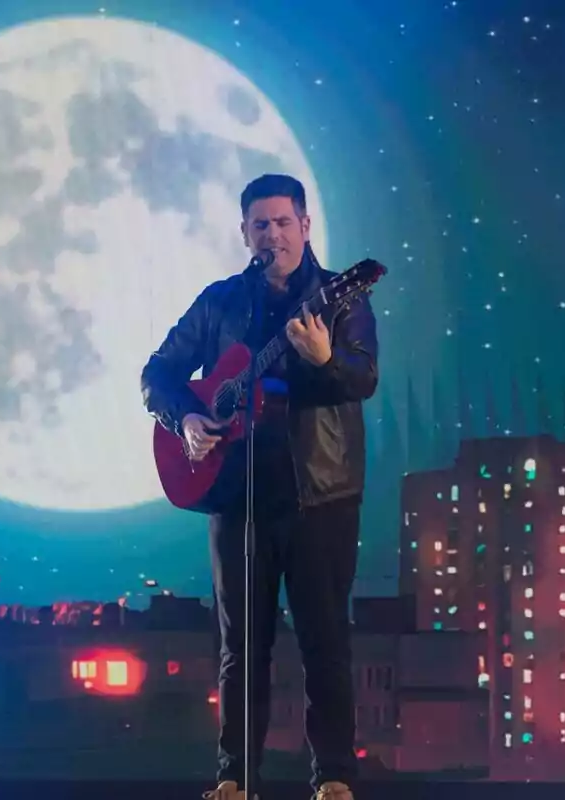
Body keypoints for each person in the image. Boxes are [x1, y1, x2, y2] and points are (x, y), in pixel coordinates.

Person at [141, 174, 378, 800]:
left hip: (319, 496)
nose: (272, 234)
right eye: (259, 225)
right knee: (240, 648)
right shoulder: (221, 303)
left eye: (282, 221)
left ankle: (333, 778)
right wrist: (185, 417)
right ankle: (236, 778)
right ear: (244, 233)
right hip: (235, 497)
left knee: (325, 642)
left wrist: (325, 358)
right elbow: (158, 372)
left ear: (305, 225)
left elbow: (363, 378)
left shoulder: (341, 297)